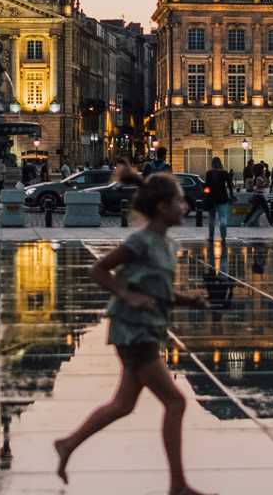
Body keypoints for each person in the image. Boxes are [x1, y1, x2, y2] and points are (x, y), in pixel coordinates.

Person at [54, 173, 210, 495]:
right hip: (133, 332)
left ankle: (68, 444)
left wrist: (185, 299)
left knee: (123, 404)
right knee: (175, 402)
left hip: (148, 329)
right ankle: (178, 485)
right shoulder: (139, 241)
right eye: (180, 201)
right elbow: (97, 270)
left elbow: (157, 289)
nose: (186, 206)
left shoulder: (167, 243)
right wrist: (127, 295)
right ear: (163, 206)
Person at [204, 157, 232, 243]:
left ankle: (211, 237)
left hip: (212, 198)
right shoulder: (224, 173)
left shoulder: (209, 173)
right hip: (223, 198)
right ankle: (223, 237)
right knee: (223, 217)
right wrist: (231, 195)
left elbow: (206, 187)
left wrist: (206, 195)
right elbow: (230, 185)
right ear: (220, 163)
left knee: (211, 219)